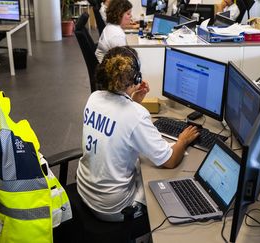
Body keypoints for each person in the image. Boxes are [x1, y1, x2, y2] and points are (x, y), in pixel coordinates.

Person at [77, 46, 200, 222]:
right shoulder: (135, 114)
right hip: (113, 208)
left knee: (142, 164)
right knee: (160, 186)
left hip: (86, 193)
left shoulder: (94, 98)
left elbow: (119, 124)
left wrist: (133, 101)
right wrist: (183, 140)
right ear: (136, 78)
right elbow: (170, 161)